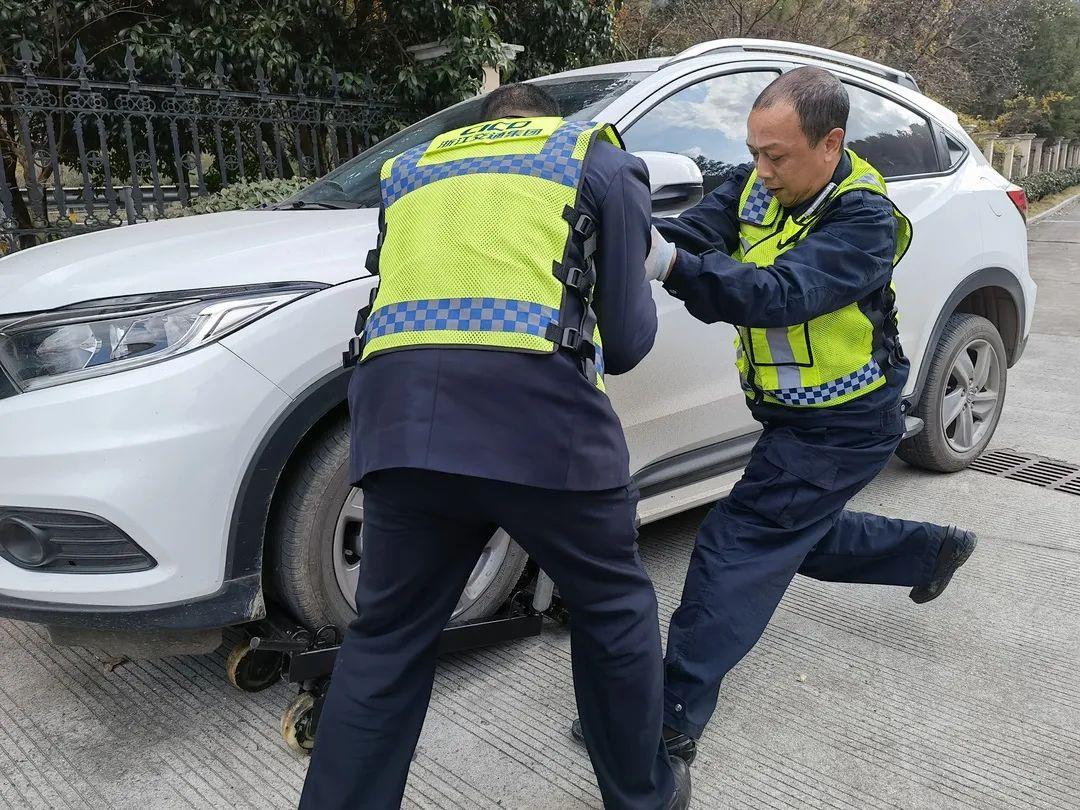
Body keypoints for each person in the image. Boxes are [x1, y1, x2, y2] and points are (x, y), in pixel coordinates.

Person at [299, 83, 690, 810]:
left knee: (386, 640)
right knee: (611, 605)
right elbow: (629, 343)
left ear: (481, 129)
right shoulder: (593, 160)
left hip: (400, 426)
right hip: (544, 430)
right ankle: (644, 797)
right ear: (547, 123)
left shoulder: (410, 170)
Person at [571, 66, 978, 764]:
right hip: (797, 421)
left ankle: (667, 717)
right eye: (755, 151)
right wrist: (618, 232)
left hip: (849, 423)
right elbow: (694, 231)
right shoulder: (755, 183)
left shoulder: (864, 218)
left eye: (776, 156)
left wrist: (667, 265)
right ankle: (931, 551)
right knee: (794, 539)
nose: (759, 170)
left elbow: (783, 292)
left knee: (737, 544)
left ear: (831, 144)